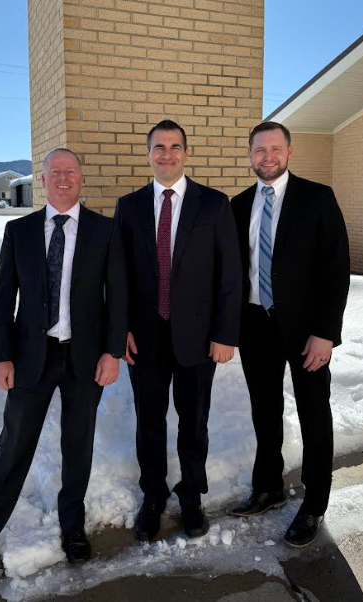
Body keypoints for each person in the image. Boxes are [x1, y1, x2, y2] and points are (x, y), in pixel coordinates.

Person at [0, 148, 127, 602]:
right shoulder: (20, 231)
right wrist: (2, 356)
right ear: (43, 179)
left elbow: (118, 297)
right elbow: (3, 298)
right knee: (12, 449)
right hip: (32, 358)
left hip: (84, 359)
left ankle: (72, 529)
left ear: (81, 178)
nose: (63, 178)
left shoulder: (105, 231)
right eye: (55, 172)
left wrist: (113, 352)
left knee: (78, 445)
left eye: (70, 171)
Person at [115, 119, 242, 542]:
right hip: (144, 340)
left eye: (174, 147)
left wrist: (225, 334)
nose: (166, 155)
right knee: (149, 423)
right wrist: (121, 329)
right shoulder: (129, 206)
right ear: (148, 154)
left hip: (199, 339)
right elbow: (119, 276)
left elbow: (229, 274)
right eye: (159, 147)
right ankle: (153, 497)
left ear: (186, 153)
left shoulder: (214, 204)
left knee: (194, 423)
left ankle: (191, 498)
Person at [229, 121, 350, 548]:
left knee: (314, 414)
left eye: (275, 149)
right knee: (265, 411)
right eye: (259, 150)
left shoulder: (317, 198)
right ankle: (269, 488)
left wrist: (326, 333)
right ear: (250, 156)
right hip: (255, 324)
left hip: (306, 331)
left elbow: (336, 269)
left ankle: (315, 503)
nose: (267, 157)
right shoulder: (239, 205)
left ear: (289, 152)